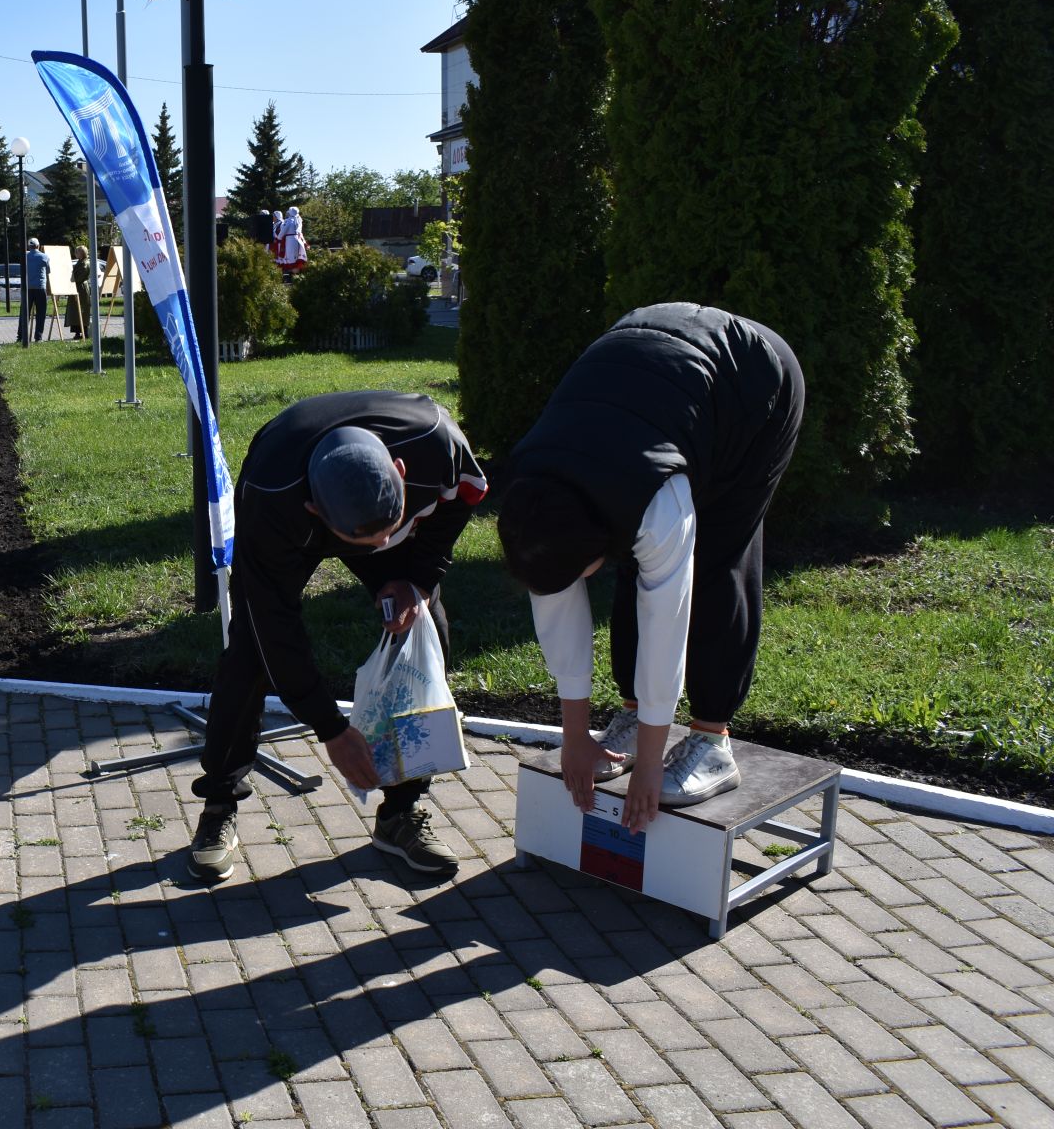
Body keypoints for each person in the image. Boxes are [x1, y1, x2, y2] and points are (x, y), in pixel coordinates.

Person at [498, 303, 804, 833]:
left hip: (754, 386)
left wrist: (649, 769)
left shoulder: (654, 504)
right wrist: (574, 739)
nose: (577, 582)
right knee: (632, 570)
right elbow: (556, 615)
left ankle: (712, 741)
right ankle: (634, 713)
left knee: (713, 566)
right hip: (654, 380)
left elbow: (667, 622)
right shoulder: (534, 500)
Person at [188, 391, 488, 882]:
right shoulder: (274, 502)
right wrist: (330, 728)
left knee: (425, 623)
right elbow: (276, 629)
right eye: (365, 544)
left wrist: (416, 578)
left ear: (399, 468)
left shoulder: (437, 443)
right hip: (287, 484)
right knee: (250, 652)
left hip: (369, 498)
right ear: (314, 511)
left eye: (389, 532)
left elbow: (461, 502)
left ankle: (401, 811)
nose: (380, 549)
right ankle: (219, 805)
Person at [22, 238, 49, 344]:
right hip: (40, 287)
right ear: (38, 246)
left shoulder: (24, 257)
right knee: (41, 313)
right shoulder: (44, 256)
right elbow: (48, 271)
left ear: (29, 246)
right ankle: (38, 337)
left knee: (25, 313)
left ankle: (21, 336)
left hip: (27, 288)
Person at [278, 205, 307, 275]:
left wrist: (279, 237)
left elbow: (283, 230)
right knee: (296, 257)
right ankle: (297, 275)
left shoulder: (288, 221)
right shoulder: (299, 220)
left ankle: (292, 275)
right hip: (297, 239)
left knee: (291, 258)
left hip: (290, 240)